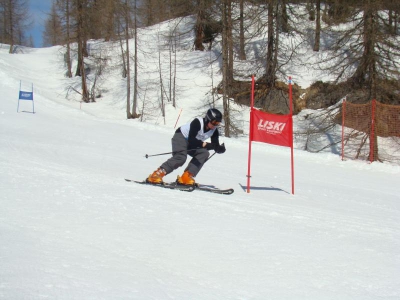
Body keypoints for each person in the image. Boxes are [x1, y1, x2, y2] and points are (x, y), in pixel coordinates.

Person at [147, 108, 226, 185]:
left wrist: (219, 149)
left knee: (204, 153)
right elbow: (192, 140)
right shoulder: (198, 122)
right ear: (208, 119)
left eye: (217, 123)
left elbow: (214, 145)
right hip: (181, 136)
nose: (215, 125)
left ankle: (186, 177)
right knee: (181, 157)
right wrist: (207, 145)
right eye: (214, 122)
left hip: (192, 143)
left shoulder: (214, 131)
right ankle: (156, 175)